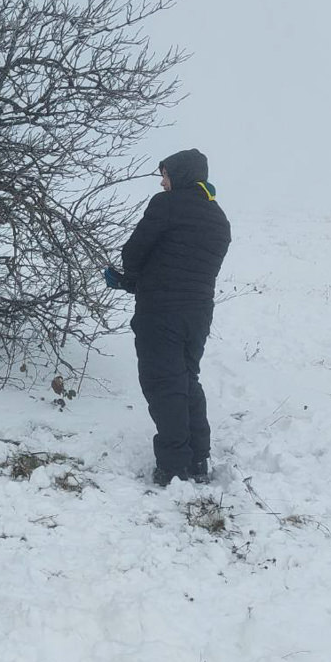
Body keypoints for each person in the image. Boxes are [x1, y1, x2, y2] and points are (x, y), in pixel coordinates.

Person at [104, 149, 231, 486]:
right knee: (187, 380)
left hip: (160, 314)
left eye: (166, 175)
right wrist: (133, 283)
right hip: (198, 314)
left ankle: (173, 467)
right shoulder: (219, 219)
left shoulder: (166, 205)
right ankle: (198, 459)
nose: (162, 183)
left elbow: (134, 254)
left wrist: (130, 274)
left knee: (164, 385)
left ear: (182, 176)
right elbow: (181, 271)